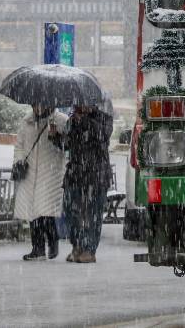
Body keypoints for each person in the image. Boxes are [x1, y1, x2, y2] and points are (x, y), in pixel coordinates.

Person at [54, 101, 113, 263]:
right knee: (71, 211)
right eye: (76, 103)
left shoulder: (103, 118)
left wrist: (85, 120)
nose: (77, 106)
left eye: (81, 103)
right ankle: (77, 245)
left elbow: (102, 136)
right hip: (75, 174)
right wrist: (56, 137)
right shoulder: (72, 120)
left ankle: (89, 250)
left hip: (96, 175)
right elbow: (67, 144)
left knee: (93, 215)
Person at [12, 102, 68, 261]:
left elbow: (68, 146)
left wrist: (56, 136)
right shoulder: (27, 121)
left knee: (46, 211)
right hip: (30, 172)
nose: (38, 108)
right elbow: (19, 146)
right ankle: (37, 249)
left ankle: (53, 240)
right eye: (35, 104)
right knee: (32, 213)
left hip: (50, 172)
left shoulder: (61, 120)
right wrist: (18, 161)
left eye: (41, 104)